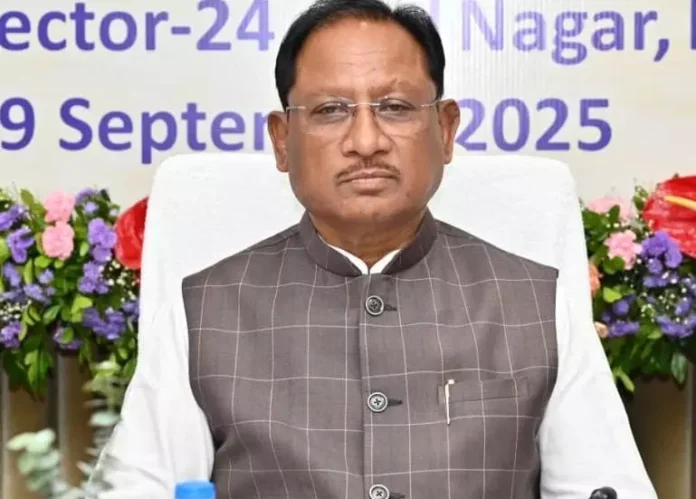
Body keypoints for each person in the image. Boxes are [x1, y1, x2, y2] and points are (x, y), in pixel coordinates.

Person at [95, 1, 657, 498]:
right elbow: (141, 487)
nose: (366, 142)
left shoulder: (535, 302)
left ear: (445, 129)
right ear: (283, 141)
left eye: (395, 107)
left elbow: (601, 486)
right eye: (330, 110)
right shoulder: (204, 310)